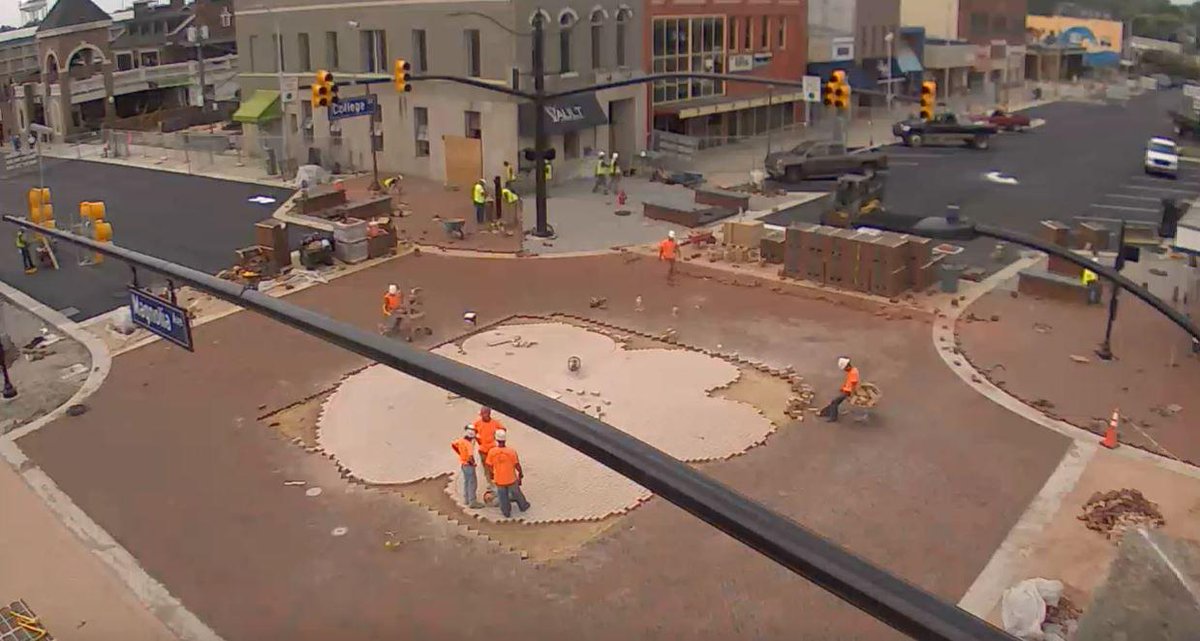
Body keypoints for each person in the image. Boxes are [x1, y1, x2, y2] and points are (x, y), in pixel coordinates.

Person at [485, 428, 530, 518]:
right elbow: (517, 465)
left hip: (499, 480)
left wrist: (492, 474)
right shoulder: (511, 451)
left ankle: (506, 512)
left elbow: (488, 465)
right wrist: (520, 473)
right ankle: (523, 506)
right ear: (505, 439)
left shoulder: (492, 452)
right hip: (511, 478)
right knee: (517, 493)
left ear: (496, 439)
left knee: (503, 497)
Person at [473, 406, 503, 500]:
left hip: (493, 450)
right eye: (481, 414)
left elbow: (503, 430)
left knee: (495, 467)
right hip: (483, 450)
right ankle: (489, 482)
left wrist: (497, 438)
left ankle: (497, 481)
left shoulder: (495, 423)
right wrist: (477, 438)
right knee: (486, 467)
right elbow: (472, 431)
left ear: (488, 414)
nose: (481, 416)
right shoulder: (477, 423)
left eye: (483, 414)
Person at [451, 425, 484, 508]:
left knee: (466, 482)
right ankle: (473, 502)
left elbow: (453, 444)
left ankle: (466, 499)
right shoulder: (469, 445)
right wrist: (472, 463)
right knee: (472, 483)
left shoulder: (461, 441)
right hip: (469, 466)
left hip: (463, 464)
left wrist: (460, 453)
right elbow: (470, 456)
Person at [819, 357, 859, 423]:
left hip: (847, 392)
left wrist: (852, 394)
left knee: (834, 402)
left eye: (845, 368)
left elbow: (853, 384)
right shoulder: (852, 370)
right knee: (835, 402)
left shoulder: (853, 373)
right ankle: (826, 413)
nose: (845, 370)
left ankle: (833, 417)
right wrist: (843, 387)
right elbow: (849, 382)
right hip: (846, 390)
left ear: (847, 366)